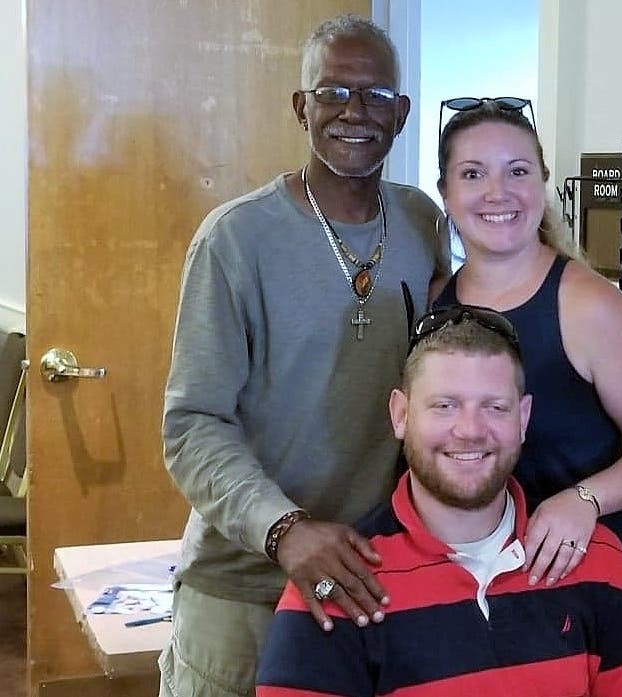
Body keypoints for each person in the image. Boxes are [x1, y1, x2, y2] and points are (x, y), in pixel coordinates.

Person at [159, 15, 449, 697]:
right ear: (302, 107)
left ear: (401, 113)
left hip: (373, 580)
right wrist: (284, 529)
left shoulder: (422, 222)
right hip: (243, 587)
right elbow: (192, 425)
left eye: (377, 95)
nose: (355, 112)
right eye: (332, 93)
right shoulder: (236, 238)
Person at [256, 308, 622, 697]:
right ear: (400, 415)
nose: (470, 430)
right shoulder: (339, 581)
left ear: (523, 419)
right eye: (444, 405)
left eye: (494, 407)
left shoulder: (596, 560)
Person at [433, 99, 622, 684]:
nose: (497, 192)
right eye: (473, 173)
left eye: (517, 170)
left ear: (543, 183)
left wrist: (585, 499)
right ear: (446, 193)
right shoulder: (437, 307)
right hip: (491, 611)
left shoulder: (588, 305)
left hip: (608, 606)